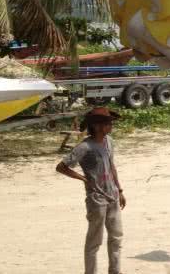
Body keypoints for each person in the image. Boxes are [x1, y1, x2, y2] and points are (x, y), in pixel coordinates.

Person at [56, 107, 126, 274]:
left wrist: (120, 190)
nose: (107, 127)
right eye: (102, 124)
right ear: (94, 126)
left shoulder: (109, 141)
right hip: (96, 199)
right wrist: (82, 178)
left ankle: (115, 271)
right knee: (94, 242)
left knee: (116, 238)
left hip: (113, 196)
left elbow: (112, 166)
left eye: (108, 123)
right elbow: (61, 167)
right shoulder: (84, 147)